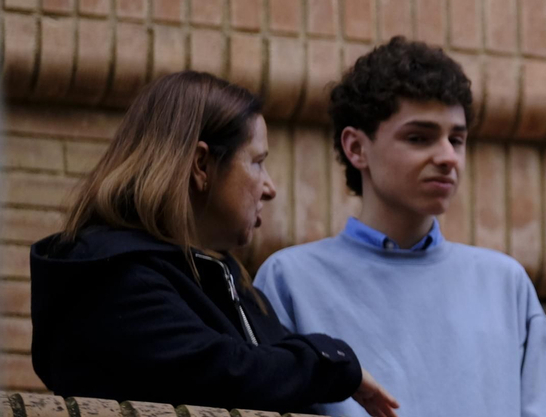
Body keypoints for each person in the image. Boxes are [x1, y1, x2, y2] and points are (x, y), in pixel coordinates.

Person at [29, 71, 398, 416]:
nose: (269, 188)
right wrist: (335, 362)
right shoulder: (110, 278)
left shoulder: (223, 280)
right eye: (257, 162)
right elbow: (226, 375)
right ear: (202, 165)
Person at [255, 36, 546, 417]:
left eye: (457, 138)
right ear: (356, 148)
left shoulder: (507, 285)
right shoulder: (289, 280)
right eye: (419, 137)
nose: (448, 157)